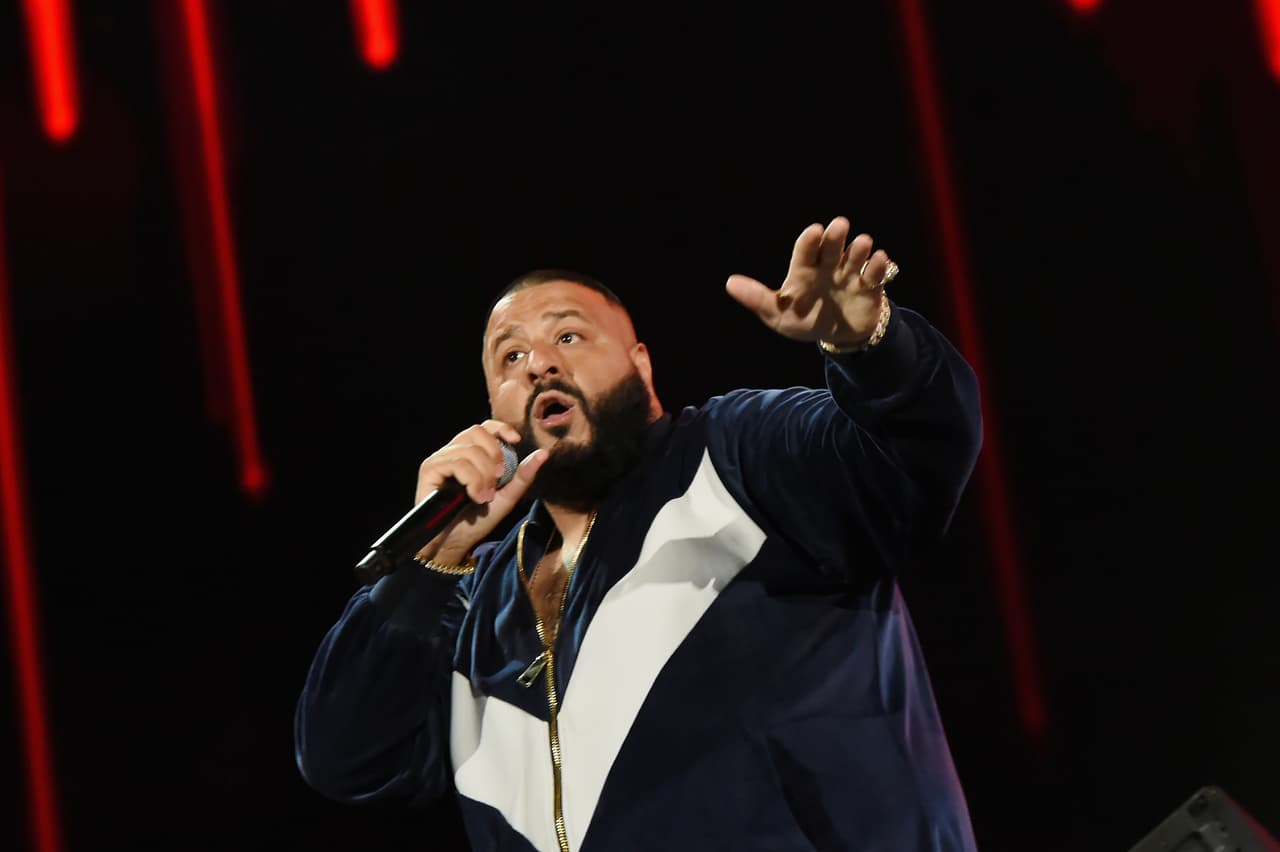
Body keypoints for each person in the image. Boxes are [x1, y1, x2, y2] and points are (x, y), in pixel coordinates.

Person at [294, 216, 983, 851]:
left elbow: (910, 463)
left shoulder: (737, 457)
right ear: (491, 410)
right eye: (510, 358)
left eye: (568, 336)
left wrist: (872, 348)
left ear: (641, 363)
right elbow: (344, 758)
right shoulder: (474, 610)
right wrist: (426, 568)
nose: (538, 365)